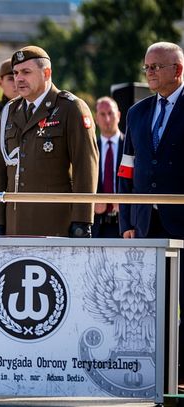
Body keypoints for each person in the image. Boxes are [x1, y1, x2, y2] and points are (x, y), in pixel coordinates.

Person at [117, 41, 184, 386]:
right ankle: (155, 371)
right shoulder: (137, 113)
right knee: (148, 303)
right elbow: (126, 169)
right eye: (147, 67)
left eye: (156, 67)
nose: (150, 73)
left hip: (182, 222)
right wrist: (127, 220)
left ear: (178, 70)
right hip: (145, 223)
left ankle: (180, 373)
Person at [0, 45, 98, 237]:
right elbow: (0, 171)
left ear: (46, 73)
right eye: (15, 73)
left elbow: (85, 166)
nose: (19, 79)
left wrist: (82, 220)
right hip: (14, 225)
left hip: (55, 223)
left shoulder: (70, 108)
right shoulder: (10, 111)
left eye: (26, 72)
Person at [92, 96, 123, 238]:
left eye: (110, 113)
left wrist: (125, 202)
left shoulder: (131, 146)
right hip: (97, 223)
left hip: (126, 223)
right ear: (96, 119)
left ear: (119, 115)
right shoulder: (90, 149)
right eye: (102, 115)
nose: (107, 119)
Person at [0, 58, 18, 124]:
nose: (16, 83)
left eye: (18, 78)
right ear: (0, 83)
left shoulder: (32, 109)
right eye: (11, 79)